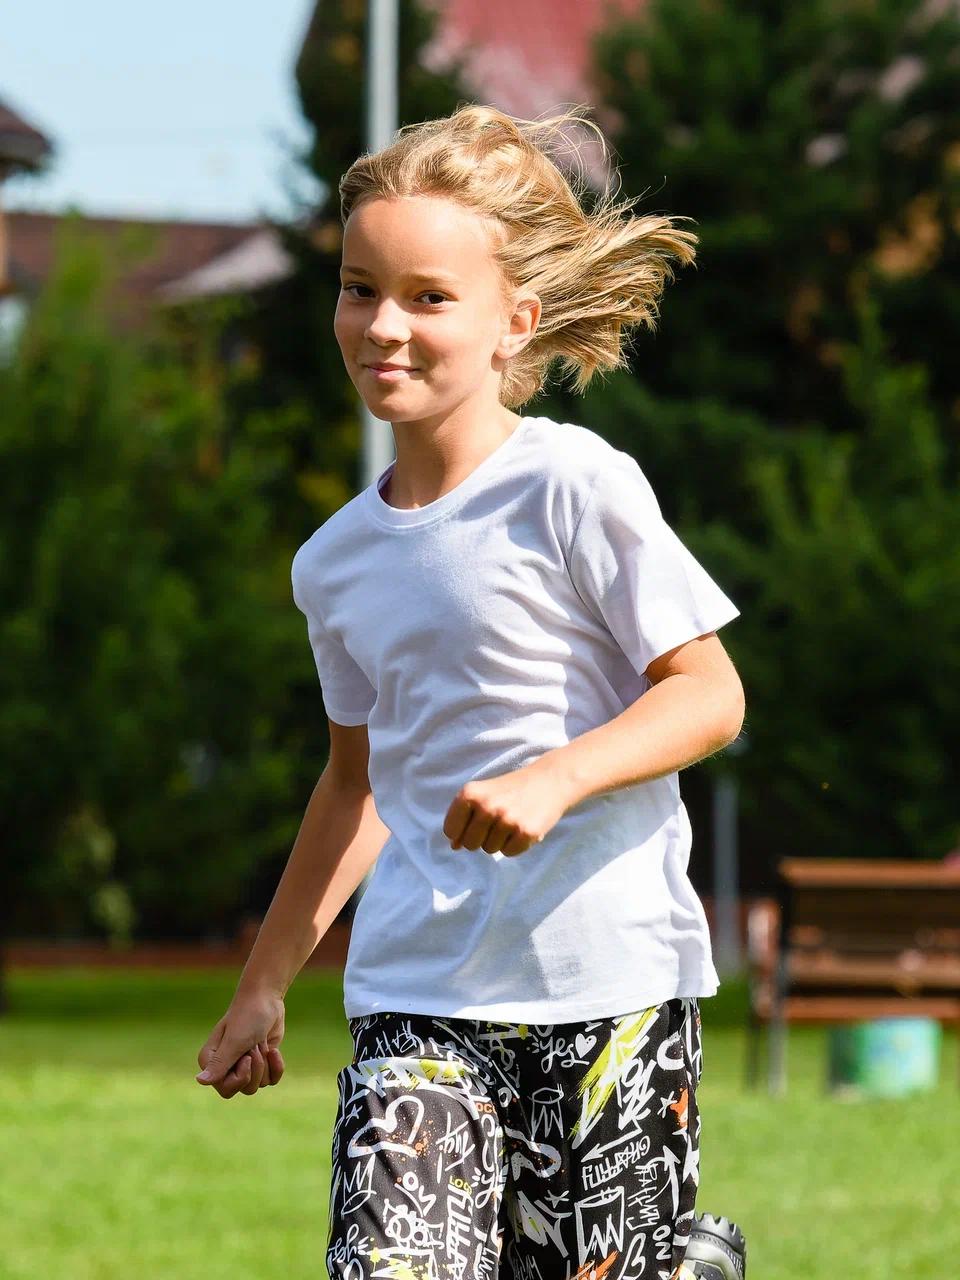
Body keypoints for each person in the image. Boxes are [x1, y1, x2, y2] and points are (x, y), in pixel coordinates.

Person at [195, 103, 748, 1280]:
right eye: (359, 289)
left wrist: (556, 776)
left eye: (429, 297)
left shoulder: (575, 485)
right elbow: (357, 783)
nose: (383, 325)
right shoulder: (334, 563)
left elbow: (708, 694)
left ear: (515, 322)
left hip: (607, 985)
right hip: (417, 993)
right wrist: (264, 983)